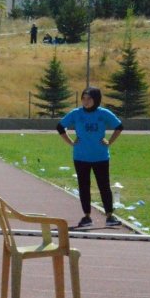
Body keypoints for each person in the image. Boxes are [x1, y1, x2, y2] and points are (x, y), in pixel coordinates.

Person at [57, 87, 123, 228]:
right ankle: (86, 217)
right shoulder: (76, 113)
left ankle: (110, 216)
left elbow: (119, 126)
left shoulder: (103, 113)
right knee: (84, 186)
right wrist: (70, 142)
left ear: (96, 99)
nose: (86, 101)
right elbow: (60, 127)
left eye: (89, 98)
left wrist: (109, 141)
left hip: (100, 157)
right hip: (81, 157)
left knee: (104, 186)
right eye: (84, 98)